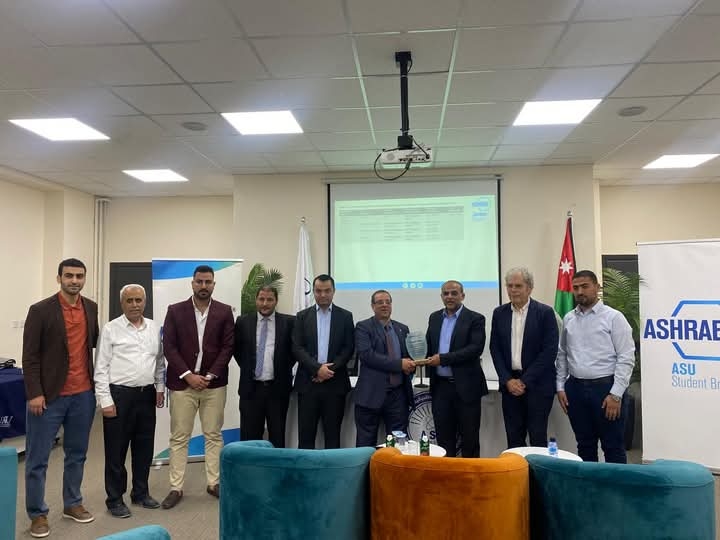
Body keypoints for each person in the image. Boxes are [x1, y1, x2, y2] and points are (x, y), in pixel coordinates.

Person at [22, 258, 99, 538]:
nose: (74, 280)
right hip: (48, 397)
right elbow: (30, 356)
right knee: (38, 459)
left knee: (77, 454)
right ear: (59, 278)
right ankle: (37, 514)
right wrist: (35, 393)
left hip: (83, 396)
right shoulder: (40, 310)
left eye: (79, 276)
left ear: (84, 278)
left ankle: (72, 503)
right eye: (69, 276)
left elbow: (92, 345)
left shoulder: (91, 307)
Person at [160, 265, 234, 508]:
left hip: (214, 385)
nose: (204, 286)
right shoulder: (175, 311)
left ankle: (214, 483)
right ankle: (176, 487)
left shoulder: (224, 311)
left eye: (208, 282)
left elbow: (228, 347)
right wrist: (188, 375)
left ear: (214, 284)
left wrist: (210, 375)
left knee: (213, 434)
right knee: (180, 436)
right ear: (192, 283)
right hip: (183, 385)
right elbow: (169, 347)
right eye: (199, 281)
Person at [94, 284, 165, 518]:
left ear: (145, 302)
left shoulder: (154, 328)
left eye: (138, 300)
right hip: (119, 396)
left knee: (144, 448)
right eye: (130, 300)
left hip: (146, 395)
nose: (135, 305)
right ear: (122, 303)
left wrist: (160, 387)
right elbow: (100, 367)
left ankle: (140, 493)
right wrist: (104, 400)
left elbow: (159, 361)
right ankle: (115, 499)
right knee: (116, 450)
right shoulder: (110, 329)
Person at [556, 270, 635, 463]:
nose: (580, 291)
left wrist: (616, 394)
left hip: (606, 390)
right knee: (584, 445)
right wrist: (560, 387)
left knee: (613, 446)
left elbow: (626, 357)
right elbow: (562, 354)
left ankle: (615, 484)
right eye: (576, 288)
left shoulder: (614, 318)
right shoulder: (568, 319)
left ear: (597, 287)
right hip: (575, 389)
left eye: (585, 286)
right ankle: (590, 483)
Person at [490, 268, 559, 448]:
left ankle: (536, 469)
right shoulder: (499, 313)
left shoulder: (545, 313)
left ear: (529, 288)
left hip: (538, 385)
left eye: (518, 286)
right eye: (510, 286)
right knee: (514, 439)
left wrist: (524, 381)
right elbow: (495, 349)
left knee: (537, 438)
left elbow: (549, 352)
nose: (513, 290)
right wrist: (507, 380)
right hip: (510, 386)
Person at [425, 280, 487, 458]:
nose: (449, 297)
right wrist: (417, 359)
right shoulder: (434, 317)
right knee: (444, 441)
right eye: (446, 293)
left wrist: (443, 359)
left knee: (470, 440)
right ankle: (447, 474)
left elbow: (475, 349)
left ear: (462, 296)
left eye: (454, 293)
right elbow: (429, 346)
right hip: (441, 389)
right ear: (441, 296)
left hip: (467, 389)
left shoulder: (475, 318)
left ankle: (470, 475)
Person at [293, 274, 354, 449]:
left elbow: (348, 348)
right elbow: (297, 347)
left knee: (333, 438)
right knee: (306, 438)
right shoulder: (302, 316)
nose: (323, 295)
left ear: (333, 291)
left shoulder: (345, 316)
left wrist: (327, 371)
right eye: (318, 291)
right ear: (313, 292)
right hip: (308, 384)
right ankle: (305, 468)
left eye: (327, 291)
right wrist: (317, 369)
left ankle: (331, 469)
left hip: (335, 385)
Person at [234, 286, 295, 448]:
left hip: (277, 389)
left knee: (277, 436)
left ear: (276, 301)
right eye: (261, 299)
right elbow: (237, 351)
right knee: (249, 439)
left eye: (269, 299)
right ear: (256, 300)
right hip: (251, 390)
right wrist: (251, 369)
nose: (265, 303)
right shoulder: (243, 322)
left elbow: (293, 353)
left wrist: (281, 370)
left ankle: (276, 465)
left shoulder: (289, 322)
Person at [354, 290, 415, 447]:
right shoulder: (363, 327)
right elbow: (367, 355)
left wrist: (411, 366)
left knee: (397, 445)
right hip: (370, 395)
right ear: (372, 306)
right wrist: (399, 364)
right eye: (380, 302)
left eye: (388, 302)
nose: (384, 305)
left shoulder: (402, 329)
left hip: (398, 396)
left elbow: (407, 357)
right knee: (365, 445)